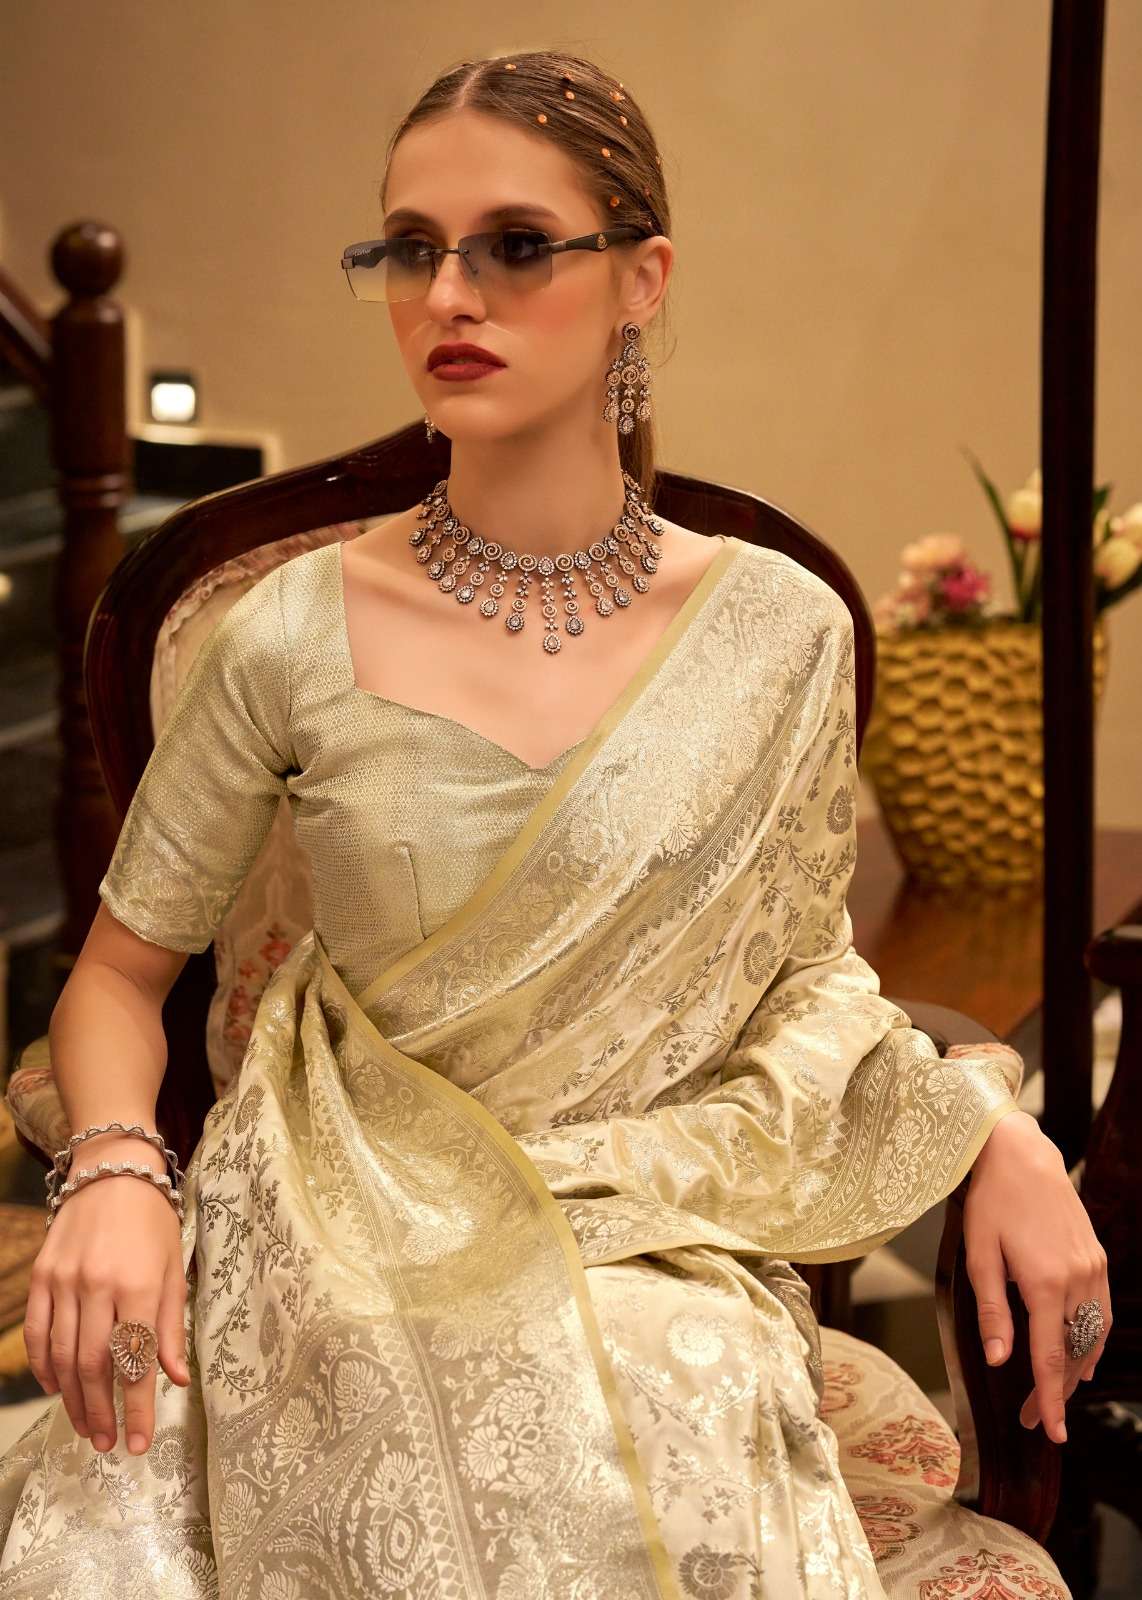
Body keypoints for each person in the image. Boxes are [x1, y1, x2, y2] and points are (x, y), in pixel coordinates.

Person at [0, 48, 1106, 1600]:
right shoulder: (286, 631)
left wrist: (990, 1125)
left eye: (514, 245)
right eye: (408, 248)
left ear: (641, 279)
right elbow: (119, 977)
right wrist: (118, 1168)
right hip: (338, 1238)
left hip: (653, 1229)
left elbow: (805, 984)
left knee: (663, 1379)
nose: (447, 295)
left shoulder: (776, 628)